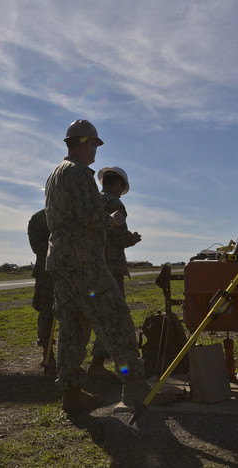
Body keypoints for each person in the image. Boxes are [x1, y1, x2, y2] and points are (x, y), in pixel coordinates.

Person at [44, 119, 151, 412]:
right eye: (93, 144)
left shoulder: (54, 174)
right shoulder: (78, 173)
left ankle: (71, 392)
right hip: (83, 260)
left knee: (73, 327)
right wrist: (111, 221)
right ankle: (134, 384)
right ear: (82, 143)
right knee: (115, 317)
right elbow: (90, 216)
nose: (95, 149)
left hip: (61, 262)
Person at [88, 166, 142, 378]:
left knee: (97, 313)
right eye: (122, 186)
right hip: (111, 266)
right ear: (118, 184)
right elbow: (119, 237)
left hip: (92, 264)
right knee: (113, 314)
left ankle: (96, 362)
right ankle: (102, 363)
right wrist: (132, 239)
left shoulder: (93, 200)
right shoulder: (114, 203)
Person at [27, 208, 55, 376]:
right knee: (46, 313)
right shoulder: (38, 219)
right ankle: (47, 352)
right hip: (46, 273)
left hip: (69, 270)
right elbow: (38, 247)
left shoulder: (69, 213)